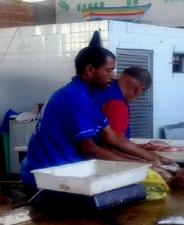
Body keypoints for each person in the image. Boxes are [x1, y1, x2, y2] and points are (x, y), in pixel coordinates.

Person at [20, 45, 175, 190]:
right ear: (89, 70)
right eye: (109, 71)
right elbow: (90, 150)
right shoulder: (75, 98)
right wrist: (141, 165)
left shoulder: (87, 97)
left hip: (64, 175)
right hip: (48, 180)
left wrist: (155, 157)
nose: (113, 77)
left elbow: (111, 135)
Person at [93, 67, 151, 138]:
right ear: (138, 89)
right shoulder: (118, 104)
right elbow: (113, 143)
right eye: (142, 93)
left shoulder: (100, 87)